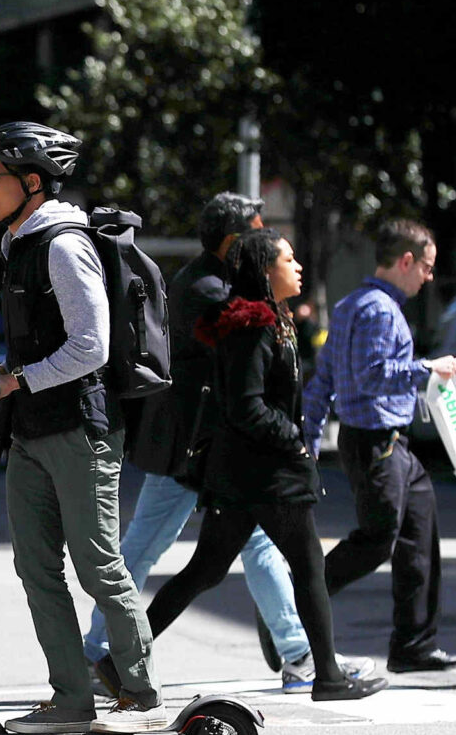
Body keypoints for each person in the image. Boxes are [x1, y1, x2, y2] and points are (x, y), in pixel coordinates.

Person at [82, 193, 367, 692]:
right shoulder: (228, 303)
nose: (286, 256)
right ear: (245, 248)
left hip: (224, 455)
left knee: (228, 560)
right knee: (151, 549)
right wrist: (294, 444)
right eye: (268, 240)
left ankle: (300, 653)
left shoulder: (235, 296)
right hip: (203, 450)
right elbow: (244, 399)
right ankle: (101, 652)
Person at [0, 121, 165, 734]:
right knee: (35, 567)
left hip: (81, 430)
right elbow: (40, 342)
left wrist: (18, 380)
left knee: (97, 563)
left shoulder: (63, 244)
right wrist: (0, 376)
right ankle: (71, 698)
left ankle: (138, 687)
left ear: (30, 183)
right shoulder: (16, 244)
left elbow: (91, 346)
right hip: (29, 431)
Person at [144, 230, 387, 700]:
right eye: (288, 259)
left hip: (245, 473)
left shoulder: (271, 320)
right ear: (265, 270)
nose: (297, 267)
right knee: (309, 566)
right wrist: (294, 442)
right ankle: (329, 677)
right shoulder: (251, 326)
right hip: (265, 473)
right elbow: (246, 406)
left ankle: (120, 660)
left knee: (206, 570)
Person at [303, 218, 456, 673]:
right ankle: (300, 606)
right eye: (427, 267)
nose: (429, 278)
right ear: (406, 261)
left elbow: (327, 379)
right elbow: (369, 376)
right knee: (378, 539)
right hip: (377, 442)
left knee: (420, 535)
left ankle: (413, 643)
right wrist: (428, 369)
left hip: (389, 442)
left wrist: (311, 438)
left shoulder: (354, 303)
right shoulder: (379, 310)